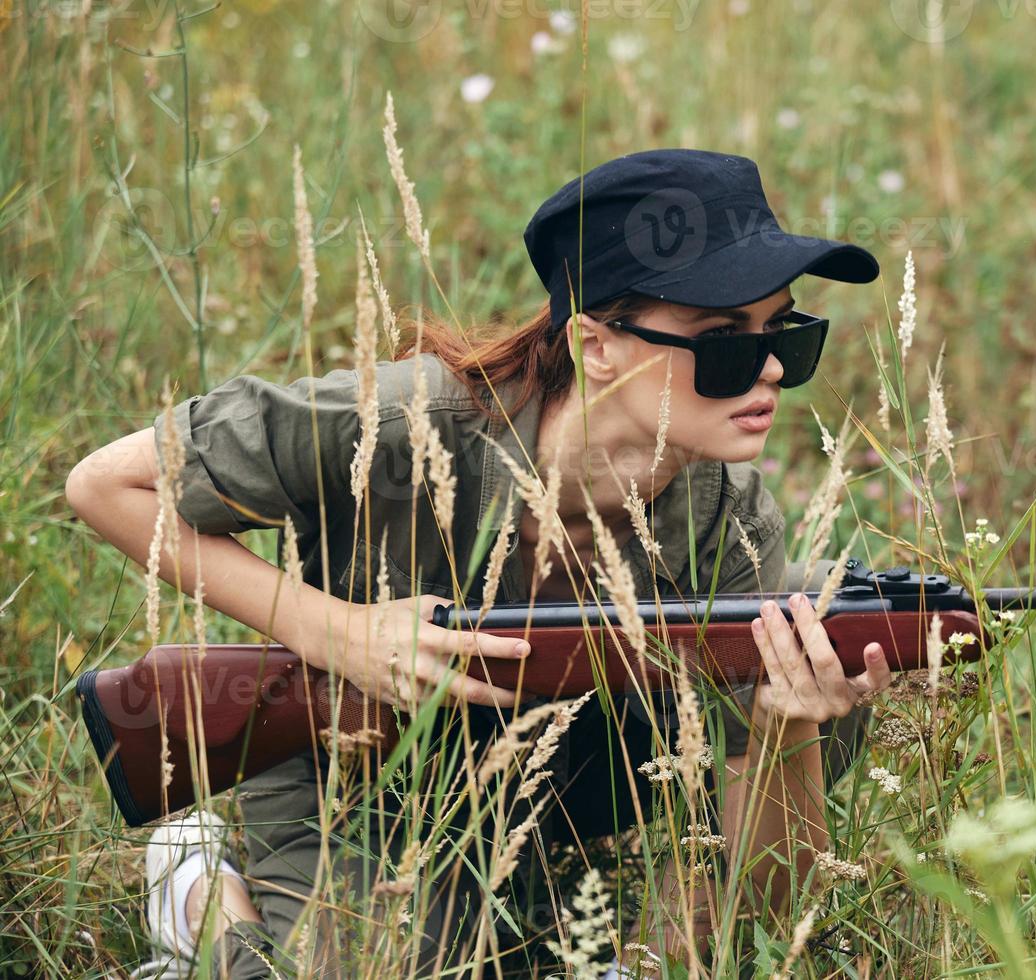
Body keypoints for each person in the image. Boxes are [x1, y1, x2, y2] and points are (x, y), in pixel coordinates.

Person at [67, 148, 894, 977]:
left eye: (784, 330)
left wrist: (788, 731)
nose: (775, 370)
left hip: (573, 772)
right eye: (723, 342)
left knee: (821, 635)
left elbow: (772, 913)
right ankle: (204, 896)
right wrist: (337, 631)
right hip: (363, 778)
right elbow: (107, 484)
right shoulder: (407, 423)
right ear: (596, 345)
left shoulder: (730, 516)